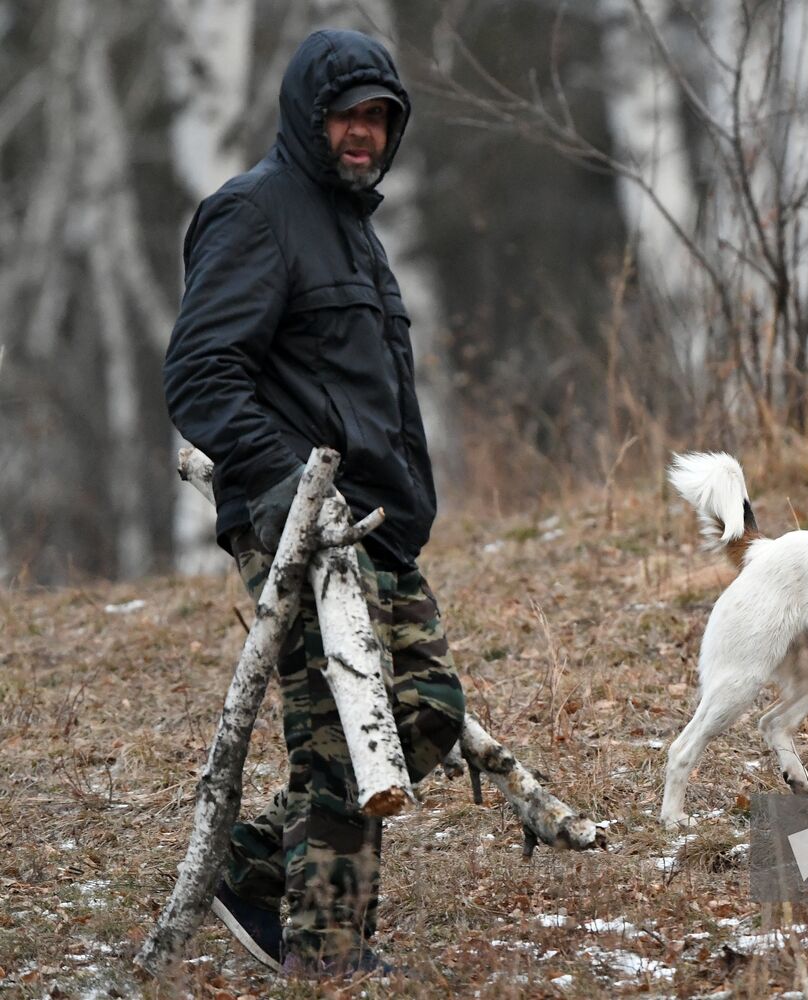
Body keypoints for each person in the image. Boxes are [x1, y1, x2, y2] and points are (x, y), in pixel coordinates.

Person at [163, 29, 466, 977]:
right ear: (307, 115)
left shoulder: (351, 228)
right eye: (348, 114)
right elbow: (201, 375)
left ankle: (251, 869)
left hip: (376, 528)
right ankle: (327, 956)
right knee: (343, 728)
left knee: (425, 711)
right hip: (300, 525)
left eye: (380, 116)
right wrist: (293, 484)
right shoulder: (255, 213)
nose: (365, 133)